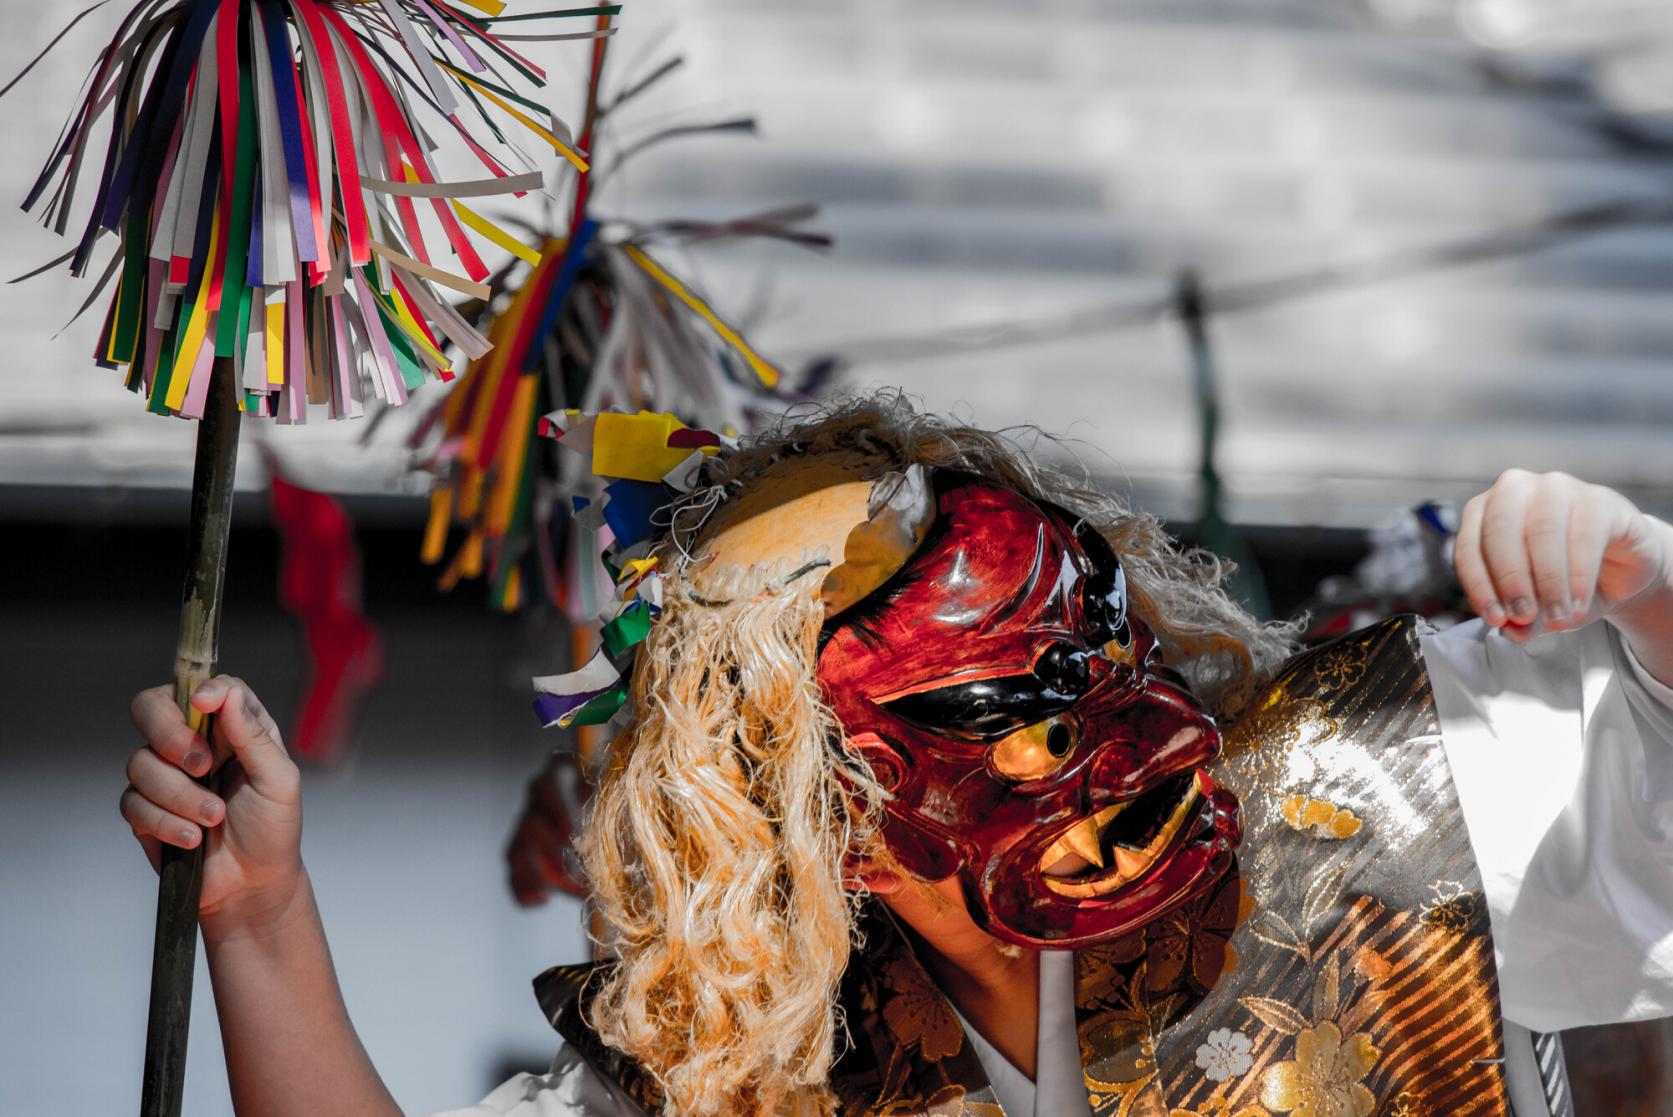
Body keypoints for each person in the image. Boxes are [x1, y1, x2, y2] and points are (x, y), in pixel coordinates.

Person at [119, 401, 1673, 1116]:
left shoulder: (1384, 774)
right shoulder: (754, 1077)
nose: (1114, 741)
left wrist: (1646, 587)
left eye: (1098, 650)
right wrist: (259, 918)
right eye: (997, 714)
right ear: (821, 813)